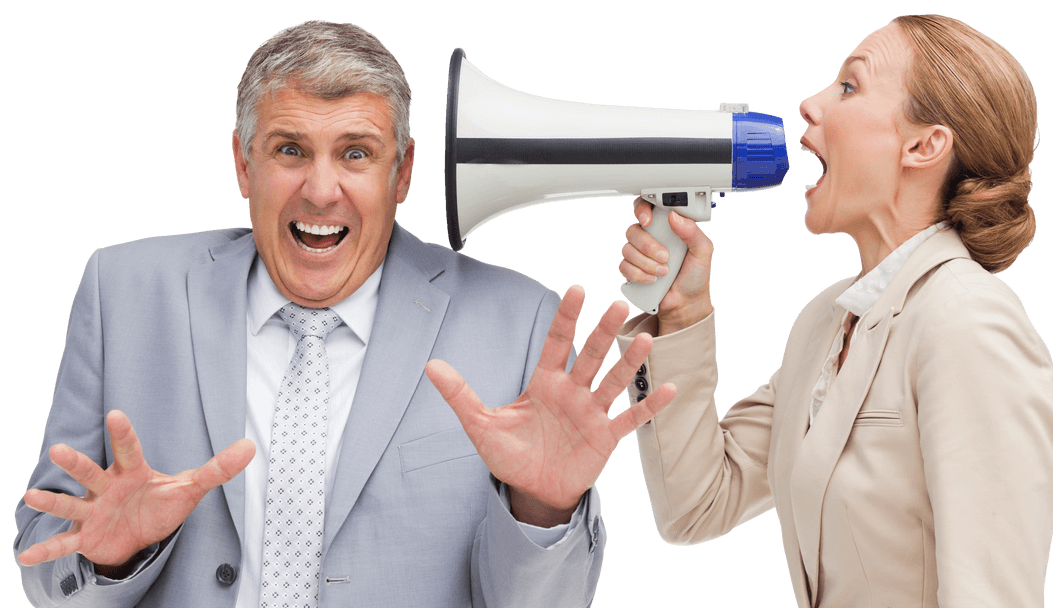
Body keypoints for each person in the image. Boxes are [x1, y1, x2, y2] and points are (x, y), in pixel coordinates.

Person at [12, 20, 676, 607]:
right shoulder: (122, 289)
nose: (322, 190)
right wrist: (107, 553)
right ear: (243, 165)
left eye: (356, 153)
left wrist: (543, 509)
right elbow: (42, 565)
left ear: (404, 171)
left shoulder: (518, 321)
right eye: (289, 150)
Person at [617, 14, 1053, 608]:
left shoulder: (969, 323)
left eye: (849, 86)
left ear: (925, 145)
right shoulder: (825, 322)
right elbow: (698, 504)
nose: (808, 104)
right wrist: (680, 313)